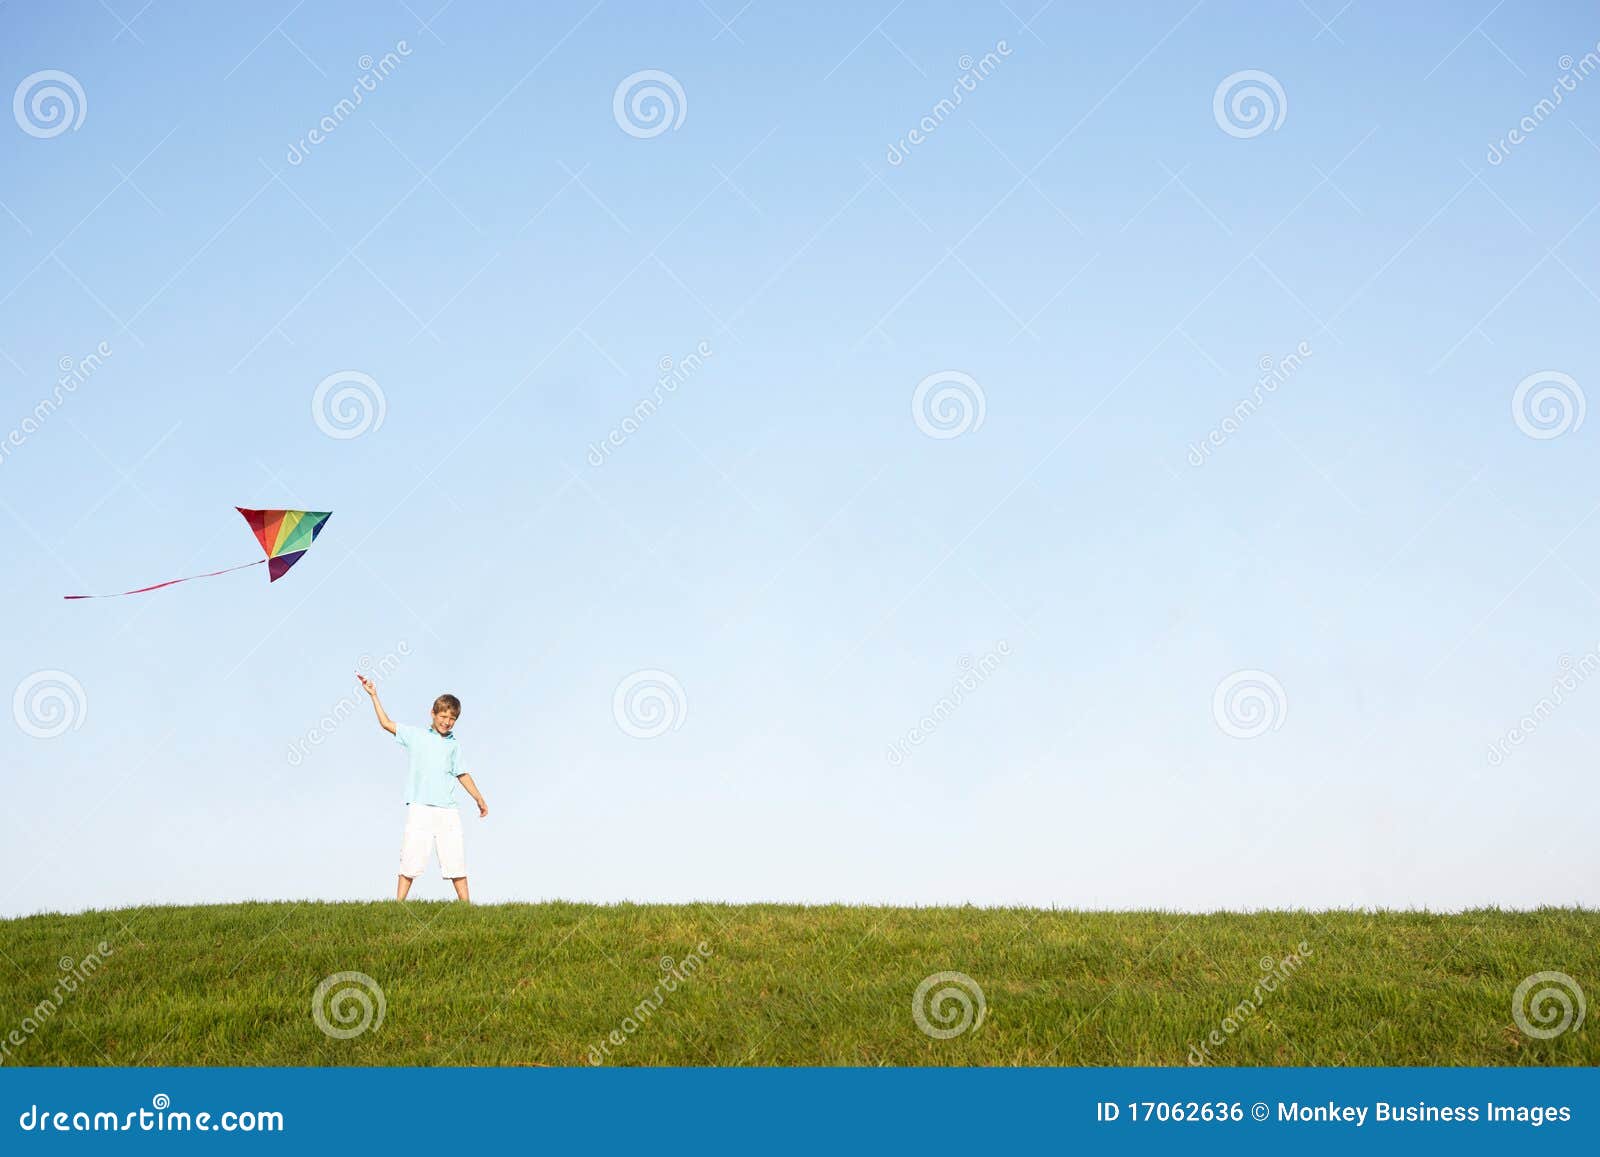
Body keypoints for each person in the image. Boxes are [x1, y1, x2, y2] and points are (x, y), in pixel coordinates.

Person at [358, 676, 488, 902]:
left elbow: (462, 774)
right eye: (443, 716)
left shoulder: (454, 745)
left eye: (452, 719)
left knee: (455, 858)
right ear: (433, 714)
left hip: (447, 811)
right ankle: (398, 905)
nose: (447, 722)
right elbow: (386, 723)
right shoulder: (416, 736)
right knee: (411, 857)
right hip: (420, 808)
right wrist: (374, 695)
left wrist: (478, 797)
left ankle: (467, 907)